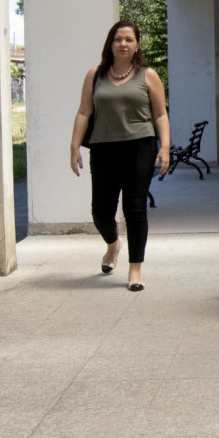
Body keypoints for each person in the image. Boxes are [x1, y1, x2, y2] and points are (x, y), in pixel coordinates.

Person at [70, 20, 170, 292]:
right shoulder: (95, 75)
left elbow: (160, 114)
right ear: (110, 44)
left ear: (136, 45)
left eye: (128, 39)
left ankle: (135, 269)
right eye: (118, 39)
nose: (123, 44)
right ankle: (113, 244)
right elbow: (84, 112)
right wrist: (74, 146)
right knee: (101, 211)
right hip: (104, 149)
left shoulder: (148, 75)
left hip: (140, 147)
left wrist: (164, 147)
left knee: (135, 208)